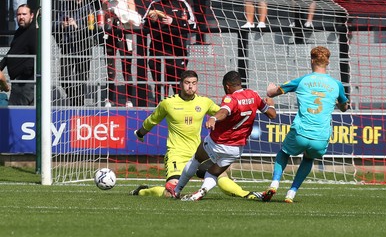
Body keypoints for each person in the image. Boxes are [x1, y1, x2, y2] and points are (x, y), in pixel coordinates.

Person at [131, 70, 264, 201]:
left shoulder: (204, 102)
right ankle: (142, 191)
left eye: (194, 83)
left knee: (221, 176)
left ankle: (248, 194)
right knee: (170, 192)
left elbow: (225, 113)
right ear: (180, 84)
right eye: (187, 83)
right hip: (176, 154)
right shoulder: (168, 103)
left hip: (199, 152)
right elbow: (152, 120)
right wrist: (140, 133)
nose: (190, 86)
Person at [263, 46, 350, 203]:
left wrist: (270, 89)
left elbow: (272, 93)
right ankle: (292, 192)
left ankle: (275, 183)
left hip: (301, 132)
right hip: (321, 136)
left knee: (283, 153)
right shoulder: (337, 85)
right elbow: (344, 107)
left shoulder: (302, 80)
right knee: (308, 159)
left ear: (311, 60)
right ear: (328, 62)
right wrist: (341, 102)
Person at [173, 70, 277, 201]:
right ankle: (201, 191)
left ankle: (177, 190)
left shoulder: (231, 98)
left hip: (218, 142)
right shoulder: (254, 95)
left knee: (196, 159)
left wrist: (213, 119)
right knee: (213, 172)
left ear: (227, 86)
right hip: (236, 149)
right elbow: (272, 115)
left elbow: (223, 111)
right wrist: (271, 104)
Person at [142, 0, 196, 104]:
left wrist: (174, 22)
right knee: (160, 87)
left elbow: (193, 25)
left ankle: (181, 111)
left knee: (179, 85)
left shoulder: (181, 3)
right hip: (157, 52)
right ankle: (161, 112)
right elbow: (142, 25)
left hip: (177, 52)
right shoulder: (154, 4)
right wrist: (151, 21)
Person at [53, 0, 100, 106]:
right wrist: (61, 25)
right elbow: (53, 25)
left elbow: (93, 29)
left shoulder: (90, 8)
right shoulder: (65, 8)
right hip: (67, 46)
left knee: (82, 77)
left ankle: (78, 104)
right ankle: (76, 102)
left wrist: (76, 26)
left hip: (84, 46)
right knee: (64, 76)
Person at [100, 0, 141, 107]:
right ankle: (109, 99)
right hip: (110, 32)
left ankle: (129, 99)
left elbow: (134, 16)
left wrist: (119, 14)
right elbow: (103, 15)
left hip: (125, 32)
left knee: (127, 67)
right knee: (110, 68)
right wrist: (108, 12)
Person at [0, 4, 36, 106]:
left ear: (32, 15)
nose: (21, 17)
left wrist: (24, 72)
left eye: (24, 14)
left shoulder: (33, 32)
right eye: (19, 14)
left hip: (25, 84)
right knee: (25, 116)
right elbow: (12, 52)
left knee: (15, 114)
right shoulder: (19, 31)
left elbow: (37, 55)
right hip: (18, 84)